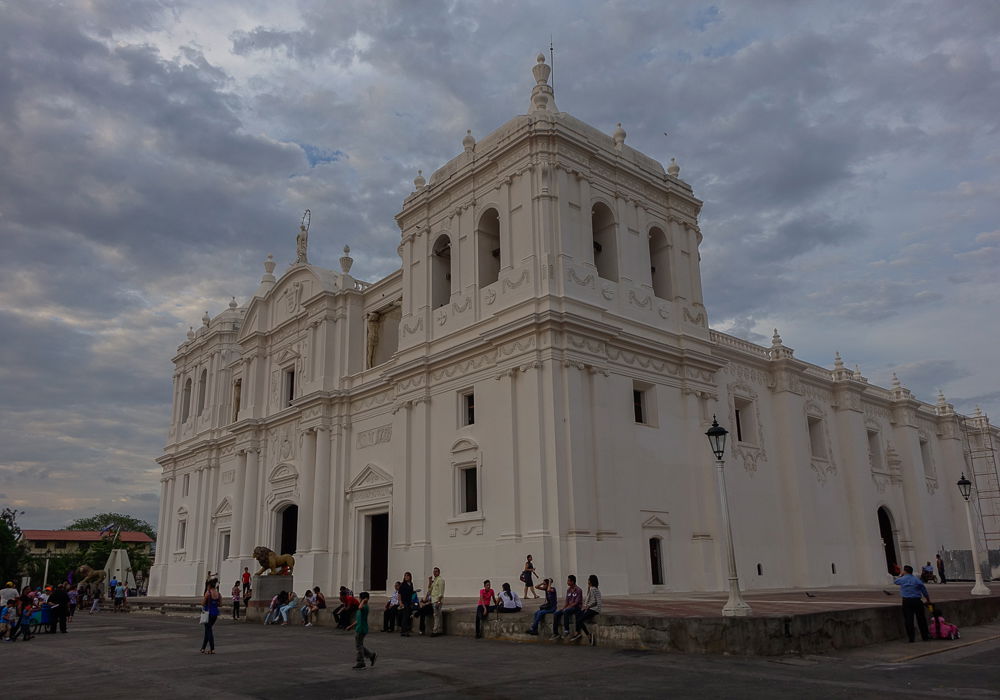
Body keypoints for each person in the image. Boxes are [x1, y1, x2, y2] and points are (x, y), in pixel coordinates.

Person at [894, 565, 931, 642]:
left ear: (905, 571)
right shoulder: (917, 580)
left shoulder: (902, 579)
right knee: (921, 619)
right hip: (917, 601)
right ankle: (925, 636)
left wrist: (901, 575)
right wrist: (928, 600)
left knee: (908, 620)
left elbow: (895, 581)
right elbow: (924, 591)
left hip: (907, 601)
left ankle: (911, 638)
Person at [571, 574, 602, 645]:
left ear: (591, 581)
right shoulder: (593, 589)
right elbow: (589, 597)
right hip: (593, 608)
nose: (587, 581)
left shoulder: (593, 589)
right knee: (578, 614)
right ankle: (578, 632)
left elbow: (595, 602)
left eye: (588, 580)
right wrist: (588, 588)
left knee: (579, 620)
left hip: (594, 609)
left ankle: (588, 635)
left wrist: (587, 607)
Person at [551, 575, 583, 640]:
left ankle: (566, 630)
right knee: (556, 613)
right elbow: (567, 601)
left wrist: (567, 608)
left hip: (576, 607)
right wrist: (563, 608)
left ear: (573, 582)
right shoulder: (568, 590)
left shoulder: (578, 590)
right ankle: (555, 633)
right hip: (569, 607)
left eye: (568, 581)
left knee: (566, 611)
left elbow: (576, 602)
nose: (567, 582)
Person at [352, 592, 377, 669]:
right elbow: (358, 619)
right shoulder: (362, 607)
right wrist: (351, 626)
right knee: (360, 645)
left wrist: (364, 601)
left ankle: (361, 661)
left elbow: (360, 607)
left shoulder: (364, 607)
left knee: (358, 646)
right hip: (359, 627)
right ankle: (371, 655)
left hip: (361, 628)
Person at [200, 580, 221, 654]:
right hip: (215, 613)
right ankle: (203, 648)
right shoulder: (218, 593)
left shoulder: (208, 592)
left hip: (208, 613)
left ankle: (212, 648)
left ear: (209, 585)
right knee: (207, 630)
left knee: (209, 631)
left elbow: (203, 603)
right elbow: (220, 604)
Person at [429, 567, 445, 636]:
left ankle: (435, 631)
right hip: (433, 600)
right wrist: (429, 581)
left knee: (436, 615)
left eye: (436, 571)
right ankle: (438, 630)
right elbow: (430, 589)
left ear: (439, 572)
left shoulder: (440, 580)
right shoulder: (435, 580)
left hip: (437, 600)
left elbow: (441, 591)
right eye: (434, 571)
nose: (434, 573)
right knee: (437, 615)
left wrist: (439, 601)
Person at [398, 572, 414, 637]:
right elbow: (399, 594)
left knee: (408, 616)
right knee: (405, 616)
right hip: (404, 601)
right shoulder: (403, 585)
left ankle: (407, 629)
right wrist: (400, 602)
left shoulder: (411, 584)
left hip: (409, 601)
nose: (406, 577)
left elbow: (411, 593)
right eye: (405, 576)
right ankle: (403, 631)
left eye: (408, 576)